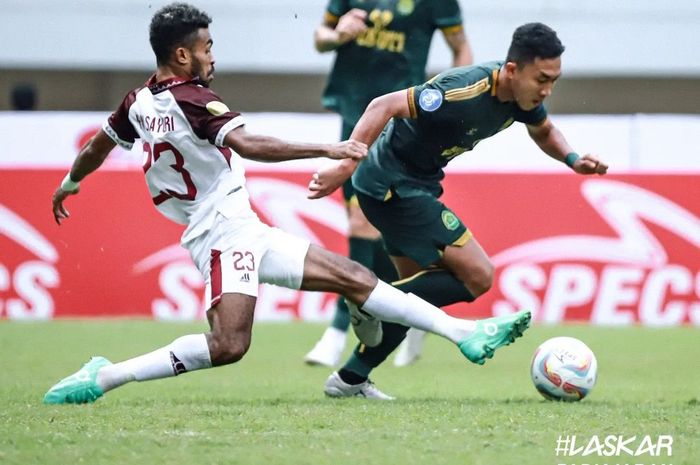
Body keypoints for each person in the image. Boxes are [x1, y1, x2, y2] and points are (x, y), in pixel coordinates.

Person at [43, 2, 530, 405]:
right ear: (181, 55)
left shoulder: (137, 102)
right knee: (229, 345)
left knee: (357, 278)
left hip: (243, 227)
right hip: (221, 236)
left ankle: (464, 332)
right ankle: (107, 376)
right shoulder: (194, 99)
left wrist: (69, 181)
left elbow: (97, 146)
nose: (212, 57)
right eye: (206, 48)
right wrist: (328, 149)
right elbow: (251, 145)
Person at [308, 22, 608, 399]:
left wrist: (573, 158)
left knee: (415, 302)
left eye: (554, 80)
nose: (547, 90)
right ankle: (368, 300)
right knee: (479, 275)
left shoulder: (521, 98)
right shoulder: (461, 91)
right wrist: (345, 165)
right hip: (391, 183)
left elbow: (544, 131)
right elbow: (382, 105)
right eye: (542, 79)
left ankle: (350, 378)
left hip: (413, 184)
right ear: (513, 71)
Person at [304, 0, 474, 369]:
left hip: (401, 118)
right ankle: (414, 313)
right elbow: (320, 37)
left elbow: (460, 47)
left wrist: (454, 102)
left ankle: (337, 331)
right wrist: (337, 35)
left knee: (363, 222)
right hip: (355, 114)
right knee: (377, 232)